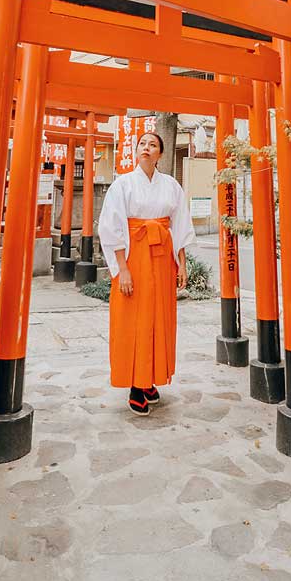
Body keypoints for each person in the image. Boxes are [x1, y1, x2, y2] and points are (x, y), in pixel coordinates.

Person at [96, 131, 192, 415]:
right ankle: (135, 384)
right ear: (136, 151)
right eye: (142, 144)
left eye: (152, 145)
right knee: (133, 319)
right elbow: (110, 228)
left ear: (160, 153)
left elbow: (180, 226)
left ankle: (150, 377)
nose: (146, 148)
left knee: (159, 317)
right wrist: (122, 269)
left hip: (163, 258)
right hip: (134, 257)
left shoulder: (171, 186)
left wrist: (182, 263)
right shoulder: (123, 185)